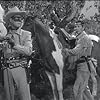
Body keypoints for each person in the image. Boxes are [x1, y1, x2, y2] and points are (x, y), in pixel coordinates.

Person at [3, 6, 32, 100]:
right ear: (10, 20)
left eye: (21, 18)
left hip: (21, 69)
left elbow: (28, 51)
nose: (20, 20)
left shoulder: (26, 34)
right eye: (16, 18)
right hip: (6, 70)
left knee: (25, 97)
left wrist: (14, 45)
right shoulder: (4, 35)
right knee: (8, 97)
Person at [62, 20, 94, 100]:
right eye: (75, 26)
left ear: (83, 28)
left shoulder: (84, 38)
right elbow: (70, 37)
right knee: (84, 90)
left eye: (78, 26)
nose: (76, 28)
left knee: (77, 89)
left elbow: (76, 51)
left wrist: (65, 50)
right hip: (81, 66)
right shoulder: (79, 37)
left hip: (84, 66)